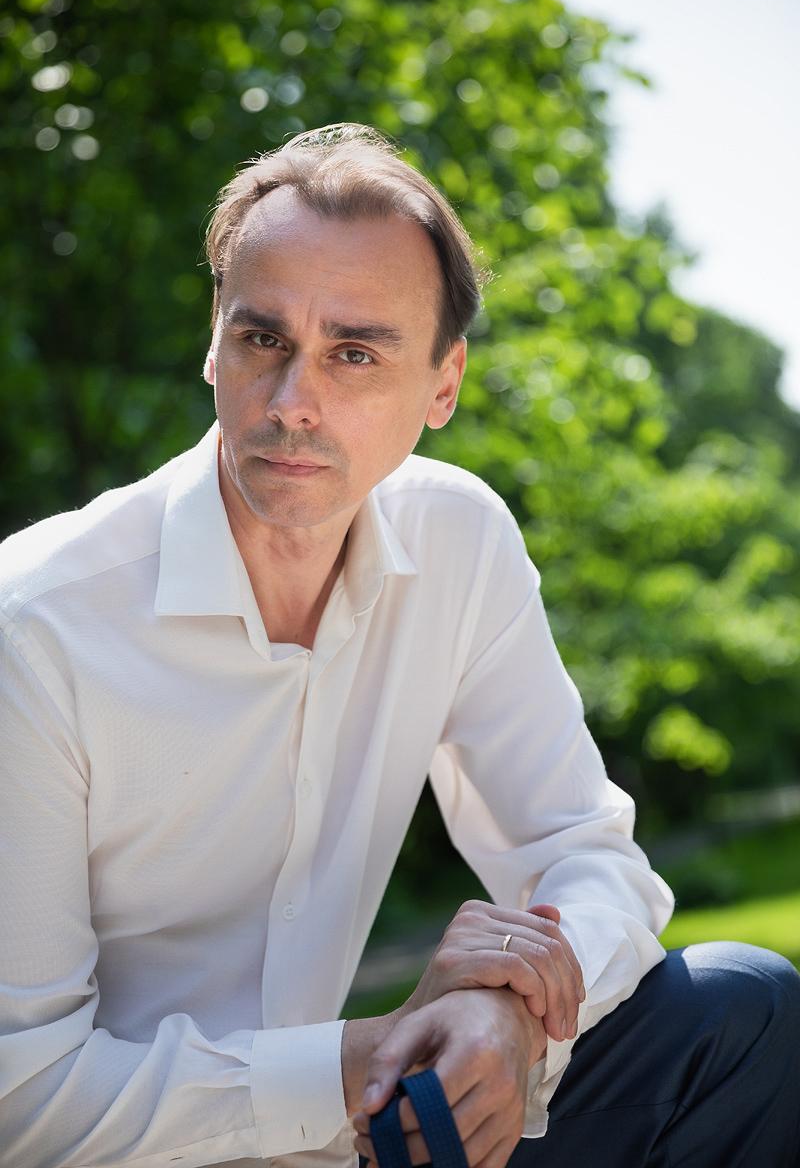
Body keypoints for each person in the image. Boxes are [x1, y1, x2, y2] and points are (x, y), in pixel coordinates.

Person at [1, 123, 798, 1168]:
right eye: (262, 340)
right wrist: (360, 1060)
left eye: (355, 353)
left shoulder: (456, 539)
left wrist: (509, 1011)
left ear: (442, 384)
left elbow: (587, 855)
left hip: (368, 1134)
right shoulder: (36, 626)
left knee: (743, 1012)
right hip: (147, 1148)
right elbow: (20, 1094)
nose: (294, 403)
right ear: (213, 344)